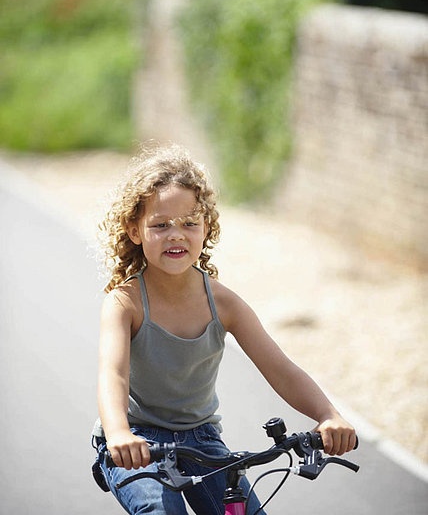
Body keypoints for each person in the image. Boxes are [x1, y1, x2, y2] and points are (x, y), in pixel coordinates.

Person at [91, 144, 356, 515]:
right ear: (135, 231)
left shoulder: (224, 304)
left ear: (206, 228)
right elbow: (113, 376)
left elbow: (280, 368)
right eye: (160, 224)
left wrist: (328, 414)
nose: (176, 234)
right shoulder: (125, 303)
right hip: (138, 441)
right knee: (161, 512)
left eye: (189, 223)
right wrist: (118, 432)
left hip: (202, 441)